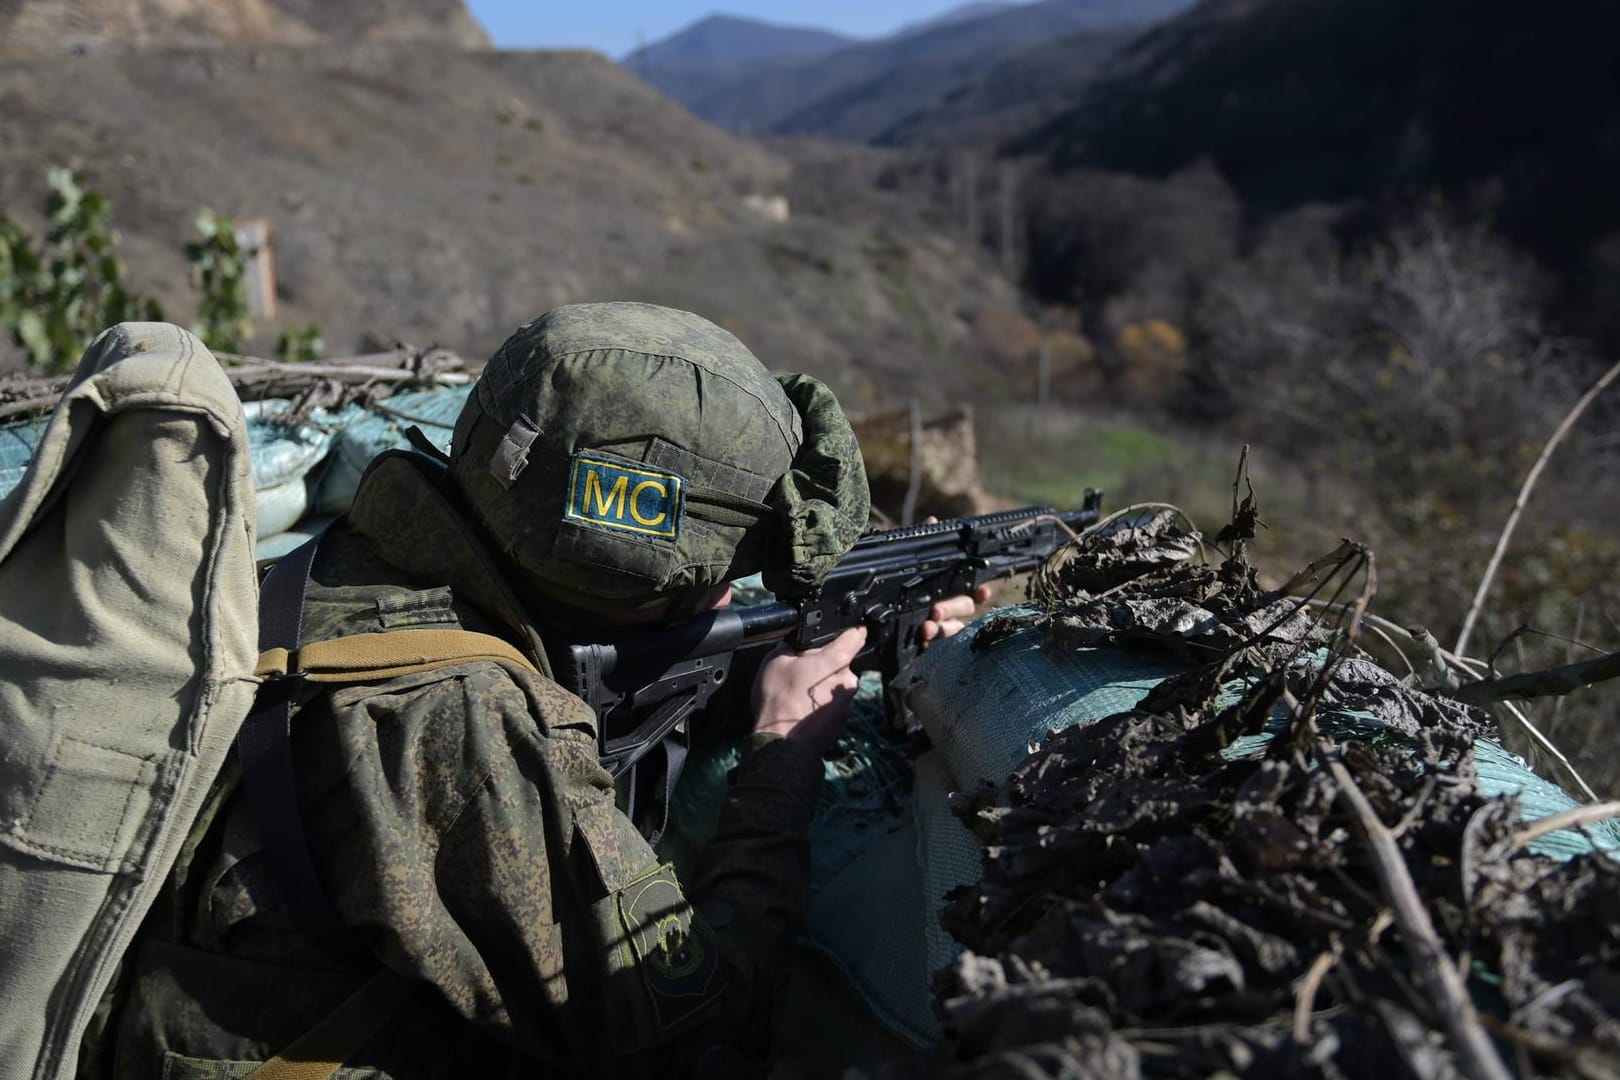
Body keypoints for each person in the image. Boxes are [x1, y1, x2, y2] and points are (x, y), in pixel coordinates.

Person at [94, 302, 983, 1079]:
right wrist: (782, 751)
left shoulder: (383, 554)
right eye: (726, 575)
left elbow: (613, 657)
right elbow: (698, 1040)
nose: (731, 595)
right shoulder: (463, 732)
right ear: (627, 573)